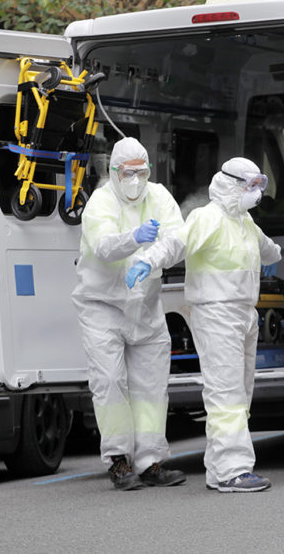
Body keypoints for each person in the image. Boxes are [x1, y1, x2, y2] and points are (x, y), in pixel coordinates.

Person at [125, 157, 282, 493]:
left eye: (259, 186)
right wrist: (145, 260)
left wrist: (270, 257)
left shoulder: (245, 223)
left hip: (244, 314)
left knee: (239, 394)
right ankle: (232, 470)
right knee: (225, 393)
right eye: (251, 186)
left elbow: (269, 249)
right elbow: (173, 245)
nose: (256, 193)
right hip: (216, 313)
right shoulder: (207, 218)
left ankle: (219, 467)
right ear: (232, 184)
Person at [71, 137, 187, 491]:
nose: (136, 180)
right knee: (109, 383)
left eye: (142, 172)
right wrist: (135, 237)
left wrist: (152, 257)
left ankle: (151, 461)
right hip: (102, 306)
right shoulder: (100, 202)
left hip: (147, 307)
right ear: (114, 172)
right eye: (128, 173)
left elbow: (178, 239)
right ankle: (119, 461)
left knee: (152, 387)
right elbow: (104, 245)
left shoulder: (159, 196)